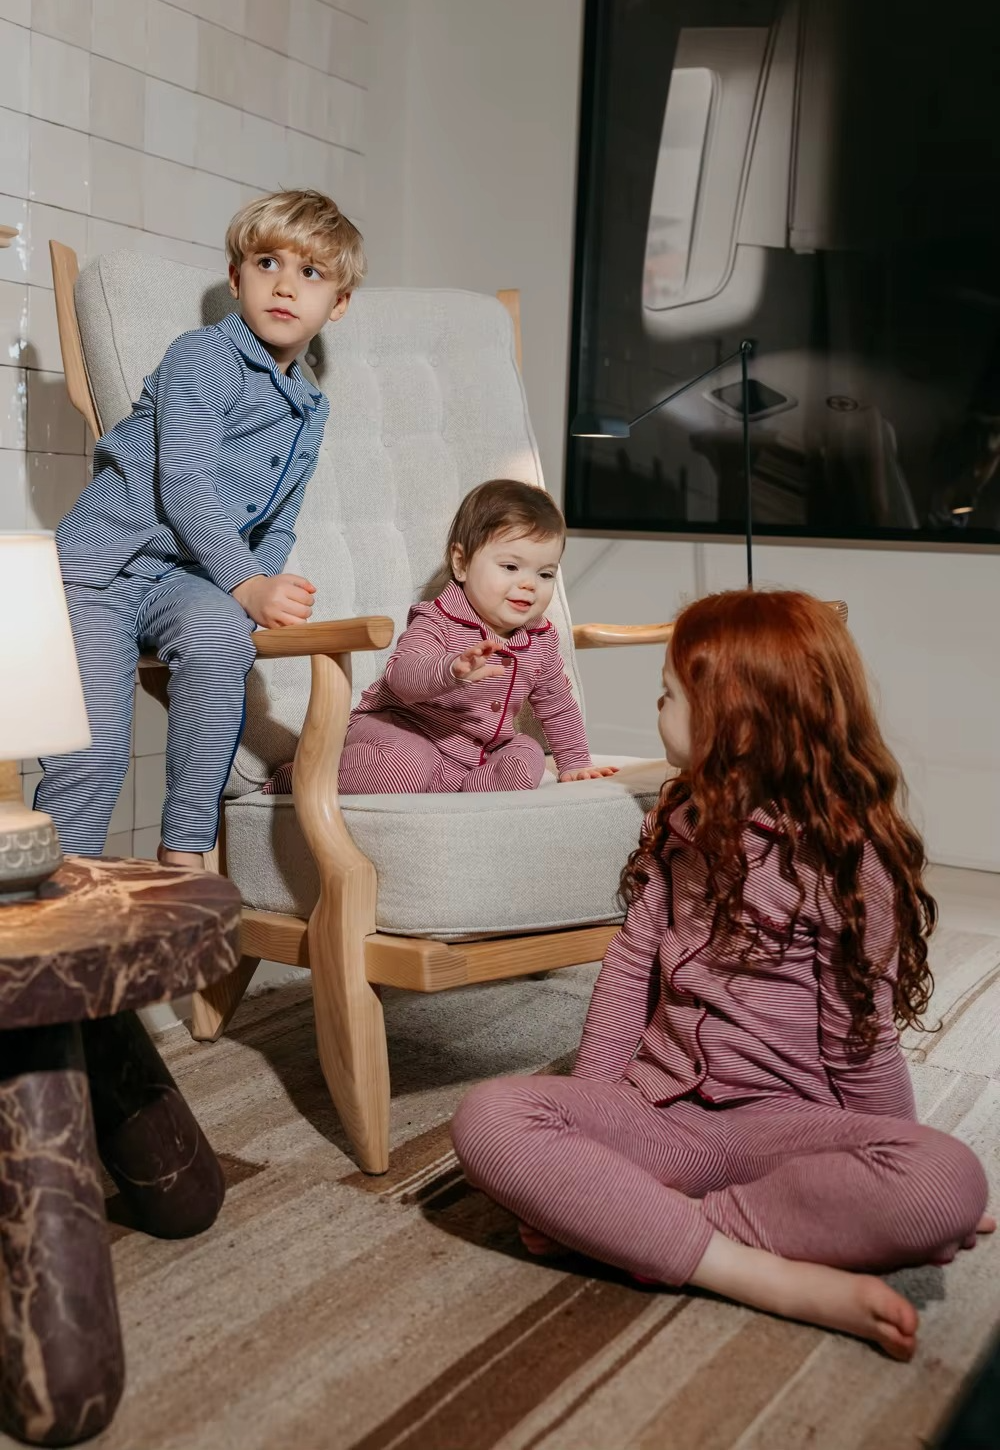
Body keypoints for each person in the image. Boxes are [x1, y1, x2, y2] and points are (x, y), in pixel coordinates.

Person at [451, 589, 992, 1360]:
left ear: (736, 720)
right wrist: (598, 1117)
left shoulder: (848, 861)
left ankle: (644, 1225)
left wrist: (895, 1154)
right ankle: (753, 1271)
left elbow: (861, 1041)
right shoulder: (677, 822)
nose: (657, 705)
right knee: (490, 1117)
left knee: (946, 1180)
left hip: (787, 1127)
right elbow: (629, 971)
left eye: (669, 693)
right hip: (661, 1113)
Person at [36, 189, 366, 868]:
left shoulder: (310, 407)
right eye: (268, 263)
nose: (285, 285)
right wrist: (247, 584)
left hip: (182, 578)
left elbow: (279, 520)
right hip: (97, 574)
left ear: (337, 304)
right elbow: (183, 484)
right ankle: (57, 897)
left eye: (310, 273)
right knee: (93, 756)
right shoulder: (202, 357)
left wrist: (257, 588)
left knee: (220, 636)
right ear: (237, 278)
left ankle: (184, 854)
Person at [266, 480, 615, 796]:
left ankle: (465, 788)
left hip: (477, 752)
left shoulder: (540, 638)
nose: (529, 584)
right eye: (510, 567)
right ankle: (302, 776)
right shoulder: (438, 619)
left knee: (527, 756)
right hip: (402, 729)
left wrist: (574, 762)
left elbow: (557, 703)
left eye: (545, 574)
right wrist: (451, 670)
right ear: (461, 563)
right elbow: (401, 675)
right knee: (404, 767)